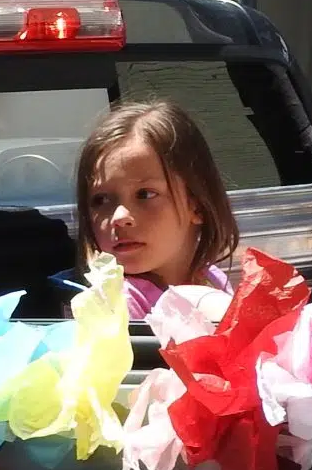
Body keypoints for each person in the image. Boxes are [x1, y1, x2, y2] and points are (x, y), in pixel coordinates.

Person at [74, 100, 239, 318]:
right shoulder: (117, 306)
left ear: (197, 204)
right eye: (101, 199)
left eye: (145, 194)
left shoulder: (212, 277)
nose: (120, 217)